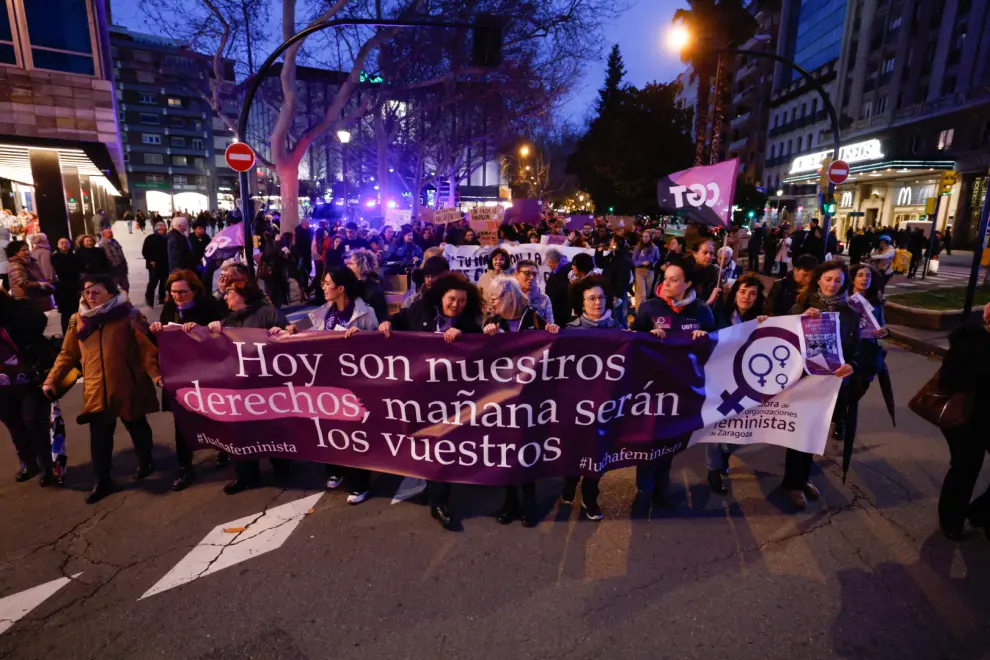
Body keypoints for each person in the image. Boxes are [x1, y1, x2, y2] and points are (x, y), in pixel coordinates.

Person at [43, 274, 162, 504]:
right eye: (87, 291)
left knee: (137, 427)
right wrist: (51, 380)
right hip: (96, 388)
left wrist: (156, 375)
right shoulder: (79, 320)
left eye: (96, 291)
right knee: (99, 438)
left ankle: (146, 461)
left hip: (127, 384)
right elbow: (67, 354)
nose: (90, 296)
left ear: (111, 292)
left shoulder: (129, 315)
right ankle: (103, 480)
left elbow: (146, 350)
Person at [379, 273, 484, 530]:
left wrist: (466, 333)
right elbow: (400, 320)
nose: (456, 305)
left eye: (461, 301)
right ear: (441, 297)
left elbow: (481, 344)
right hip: (419, 392)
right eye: (452, 299)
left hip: (452, 397)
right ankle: (428, 482)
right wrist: (386, 324)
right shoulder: (420, 310)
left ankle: (439, 502)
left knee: (442, 444)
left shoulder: (468, 322)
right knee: (421, 442)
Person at [276, 266, 379, 502]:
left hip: (354, 386)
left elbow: (377, 353)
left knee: (354, 433)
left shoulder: (365, 314)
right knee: (329, 429)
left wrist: (363, 339)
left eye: (327, 283)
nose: (322, 287)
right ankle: (334, 469)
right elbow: (300, 327)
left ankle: (360, 483)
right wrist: (289, 330)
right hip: (325, 382)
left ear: (341, 288)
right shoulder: (323, 312)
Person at [632, 259, 714, 509]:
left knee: (671, 440)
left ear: (688, 284)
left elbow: (716, 344)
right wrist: (648, 337)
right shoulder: (649, 308)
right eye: (665, 278)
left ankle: (662, 485)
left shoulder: (701, 311)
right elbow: (632, 341)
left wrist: (704, 339)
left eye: (674, 280)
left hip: (683, 389)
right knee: (647, 440)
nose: (666, 283)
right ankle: (644, 490)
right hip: (651, 388)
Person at [483, 276, 560, 526]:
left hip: (530, 397)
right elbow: (479, 359)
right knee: (505, 451)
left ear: (509, 296)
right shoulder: (493, 322)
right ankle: (509, 502)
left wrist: (553, 333)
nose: (492, 303)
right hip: (502, 398)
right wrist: (486, 337)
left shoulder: (535, 318)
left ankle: (529, 502)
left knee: (526, 450)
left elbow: (552, 352)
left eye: (495, 298)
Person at [785, 261, 861, 509]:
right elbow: (783, 343)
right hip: (802, 383)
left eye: (838, 280)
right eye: (828, 279)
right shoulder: (802, 307)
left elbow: (855, 352)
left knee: (814, 435)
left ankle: (802, 477)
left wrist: (852, 365)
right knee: (799, 434)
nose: (832, 285)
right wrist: (799, 321)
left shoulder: (850, 315)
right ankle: (793, 484)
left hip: (830, 386)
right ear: (818, 280)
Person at [207, 280, 289, 494]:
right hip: (240, 387)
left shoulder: (267, 313)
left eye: (229, 292)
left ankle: (282, 465)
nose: (225, 297)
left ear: (242, 294)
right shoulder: (229, 320)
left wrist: (280, 332)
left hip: (267, 385)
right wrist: (214, 328)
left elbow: (290, 337)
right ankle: (245, 476)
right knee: (241, 431)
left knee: (271, 428)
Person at [148, 270, 226, 490]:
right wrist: (155, 331)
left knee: (213, 415)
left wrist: (204, 330)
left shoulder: (208, 306)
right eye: (173, 292)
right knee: (181, 422)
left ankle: (224, 450)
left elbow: (223, 335)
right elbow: (162, 341)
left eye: (182, 292)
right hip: (179, 376)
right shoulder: (170, 309)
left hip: (205, 374)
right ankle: (185, 467)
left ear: (194, 290)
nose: (177, 296)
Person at [561, 275, 622, 519]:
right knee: (574, 448)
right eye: (591, 299)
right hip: (576, 404)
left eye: (601, 298)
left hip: (606, 404)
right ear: (582, 303)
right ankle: (569, 481)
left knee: (599, 452)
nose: (598, 303)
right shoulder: (571, 331)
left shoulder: (618, 330)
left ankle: (589, 495)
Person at [707, 276, 765, 494]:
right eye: (742, 292)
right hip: (719, 378)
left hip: (746, 381)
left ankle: (725, 452)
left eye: (752, 293)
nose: (746, 297)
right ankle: (714, 470)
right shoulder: (718, 314)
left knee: (744, 426)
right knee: (716, 425)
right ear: (735, 293)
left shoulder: (761, 320)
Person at [937, 305, 990, 540]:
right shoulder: (970, 340)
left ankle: (979, 511)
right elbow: (950, 379)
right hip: (968, 417)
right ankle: (951, 521)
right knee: (965, 468)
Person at [0, 290, 57, 485]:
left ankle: (48, 465)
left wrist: (12, 309)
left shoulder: (18, 309)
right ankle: (28, 463)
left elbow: (38, 322)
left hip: (30, 375)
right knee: (14, 424)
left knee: (34, 421)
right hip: (2, 383)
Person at [842, 263, 889, 440]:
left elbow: (882, 325)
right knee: (845, 387)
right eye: (860, 275)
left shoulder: (876, 303)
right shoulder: (844, 300)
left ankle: (845, 412)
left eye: (867, 276)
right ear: (852, 279)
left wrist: (884, 331)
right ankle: (841, 420)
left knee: (860, 388)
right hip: (847, 350)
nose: (864, 279)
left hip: (868, 351)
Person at [6, 240, 55, 313]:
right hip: (26, 299)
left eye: (27, 249)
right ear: (15, 252)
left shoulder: (31, 262)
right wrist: (42, 284)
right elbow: (23, 283)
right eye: (23, 250)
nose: (27, 252)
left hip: (35, 297)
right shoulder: (16, 265)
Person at [596, 235, 634, 328]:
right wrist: (599, 253)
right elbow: (601, 264)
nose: (610, 242)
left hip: (616, 292)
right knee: (610, 315)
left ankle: (624, 334)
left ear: (615, 243)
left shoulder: (623, 258)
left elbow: (623, 278)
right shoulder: (612, 255)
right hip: (608, 290)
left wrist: (617, 294)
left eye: (612, 241)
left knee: (618, 316)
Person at [347, 249, 388, 323]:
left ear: (361, 266)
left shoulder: (375, 290)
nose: (347, 266)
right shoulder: (352, 284)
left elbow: (381, 317)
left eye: (351, 263)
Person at [51, 238, 81, 335]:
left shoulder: (73, 255)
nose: (64, 245)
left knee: (76, 311)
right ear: (58, 245)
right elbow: (61, 270)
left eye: (66, 243)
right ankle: (67, 334)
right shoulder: (56, 256)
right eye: (62, 243)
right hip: (63, 289)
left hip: (75, 287)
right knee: (66, 313)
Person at [514, 259, 554, 324]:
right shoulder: (508, 297)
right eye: (527, 273)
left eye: (534, 274)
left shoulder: (544, 299)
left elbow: (550, 324)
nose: (532, 277)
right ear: (516, 274)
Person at [142, 222, 170, 307]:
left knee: (164, 282)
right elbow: (145, 251)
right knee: (153, 282)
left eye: (164, 229)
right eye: (161, 229)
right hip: (154, 265)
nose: (163, 231)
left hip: (164, 264)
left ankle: (162, 298)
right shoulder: (150, 238)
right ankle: (149, 298)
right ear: (157, 230)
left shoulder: (166, 238)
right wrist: (150, 260)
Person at [632, 231, 660, 312]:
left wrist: (653, 264)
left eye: (647, 236)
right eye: (643, 236)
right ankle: (639, 312)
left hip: (650, 271)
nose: (645, 238)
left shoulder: (655, 248)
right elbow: (634, 261)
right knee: (641, 294)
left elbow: (657, 259)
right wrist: (641, 263)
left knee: (647, 293)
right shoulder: (638, 247)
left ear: (650, 237)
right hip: (639, 270)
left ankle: (643, 310)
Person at [545, 248, 572, 326]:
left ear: (553, 260)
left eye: (547, 260)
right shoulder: (556, 272)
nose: (547, 264)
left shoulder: (567, 270)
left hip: (562, 310)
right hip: (557, 309)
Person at [100, 228, 129, 293]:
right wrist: (115, 264)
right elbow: (108, 256)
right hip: (113, 269)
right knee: (113, 287)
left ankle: (124, 300)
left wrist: (124, 264)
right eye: (109, 233)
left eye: (111, 232)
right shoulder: (103, 244)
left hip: (122, 267)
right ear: (104, 234)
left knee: (125, 286)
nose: (111, 234)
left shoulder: (114, 241)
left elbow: (121, 253)